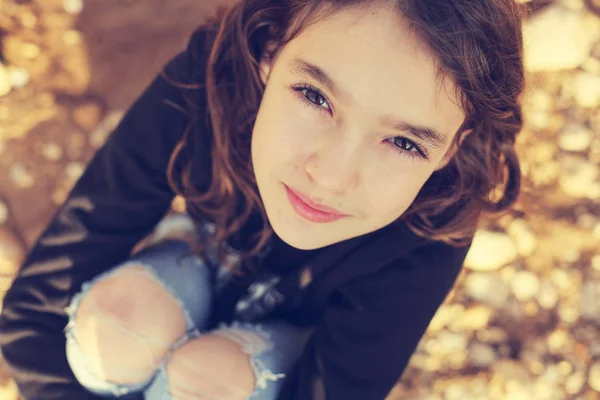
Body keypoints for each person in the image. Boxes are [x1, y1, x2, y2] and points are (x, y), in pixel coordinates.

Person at [0, 0, 525, 399]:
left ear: (452, 146)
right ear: (270, 50)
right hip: (196, 256)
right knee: (113, 331)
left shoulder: (439, 219)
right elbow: (31, 312)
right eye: (315, 96)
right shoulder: (207, 81)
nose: (332, 176)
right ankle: (180, 252)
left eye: (405, 142)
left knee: (202, 382)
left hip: (283, 341)